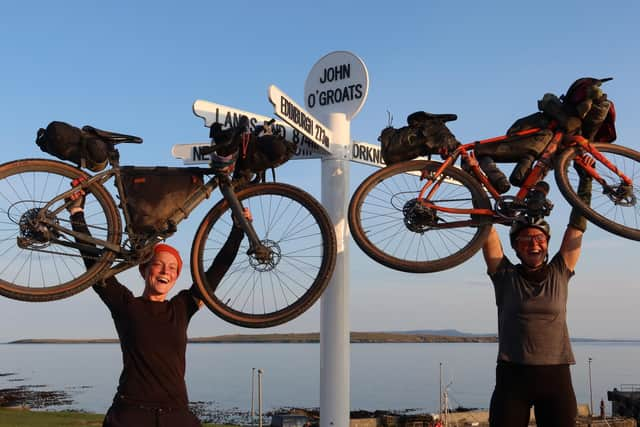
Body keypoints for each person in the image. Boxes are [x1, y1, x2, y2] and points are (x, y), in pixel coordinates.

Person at [67, 195, 249, 427]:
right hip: (131, 413)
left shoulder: (182, 307)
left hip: (176, 414)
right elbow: (95, 263)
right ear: (144, 271)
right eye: (158, 264)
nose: (166, 270)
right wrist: (77, 213)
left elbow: (214, 273)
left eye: (173, 267)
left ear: (175, 277)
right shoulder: (126, 305)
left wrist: (238, 230)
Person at [481, 155, 595, 427]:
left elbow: (577, 227)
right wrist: (478, 184)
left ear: (546, 243)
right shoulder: (504, 275)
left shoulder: (560, 271)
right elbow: (485, 228)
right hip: (511, 378)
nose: (533, 244)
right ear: (516, 247)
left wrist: (585, 180)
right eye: (524, 240)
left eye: (539, 239)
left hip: (556, 377)